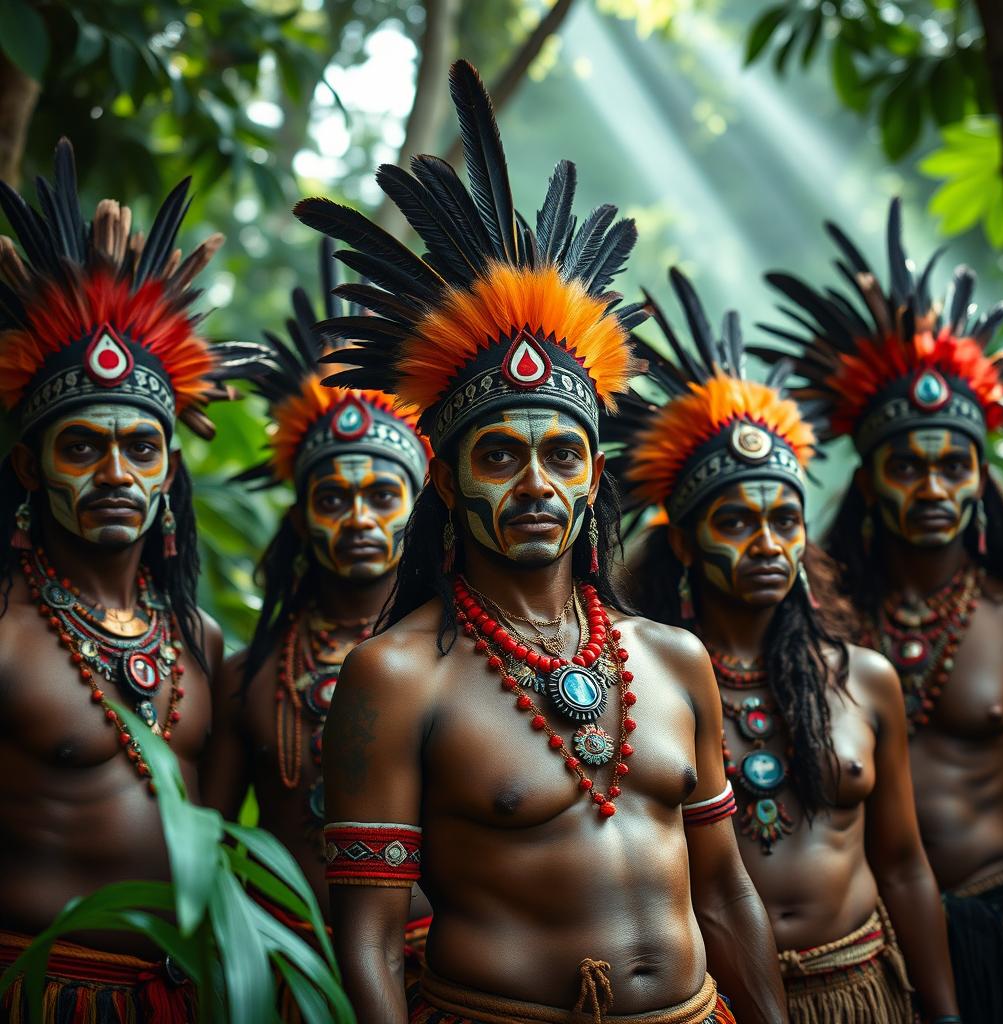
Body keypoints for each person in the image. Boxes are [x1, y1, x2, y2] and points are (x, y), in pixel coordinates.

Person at [294, 58, 788, 1024]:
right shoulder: (396, 678)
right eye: (501, 456)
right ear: (445, 479)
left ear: (595, 476)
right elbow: (366, 938)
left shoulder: (676, 660)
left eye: (564, 453)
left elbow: (727, 894)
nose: (536, 484)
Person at [604, 268, 960, 1023]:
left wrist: (945, 1011)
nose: (767, 543)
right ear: (688, 545)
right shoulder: (648, 691)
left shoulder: (864, 680)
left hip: (866, 986)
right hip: (719, 1003)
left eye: (784, 520)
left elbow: (902, 865)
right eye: (734, 522)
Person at [0, 139, 265, 1021]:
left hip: (175, 998)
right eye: (83, 444)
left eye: (139, 445)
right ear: (31, 471)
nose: (116, 471)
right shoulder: (4, 625)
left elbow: (219, 844)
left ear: (168, 473)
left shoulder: (201, 640)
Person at [759, 198, 1003, 1023]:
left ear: (981, 478)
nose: (934, 488)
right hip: (869, 945)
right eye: (907, 466)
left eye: (954, 466)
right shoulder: (819, 620)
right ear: (869, 481)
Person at [202, 242, 432, 999]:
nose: (359, 518)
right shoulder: (251, 674)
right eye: (334, 499)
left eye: (382, 497)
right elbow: (211, 841)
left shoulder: (458, 653)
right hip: (286, 971)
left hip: (435, 972)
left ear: (420, 511)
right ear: (301, 518)